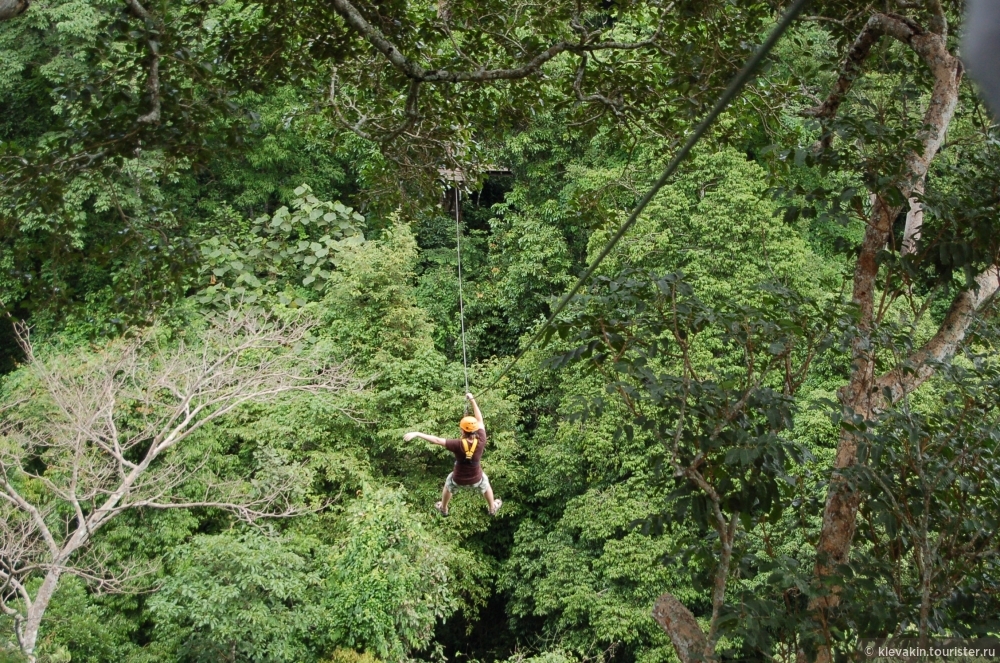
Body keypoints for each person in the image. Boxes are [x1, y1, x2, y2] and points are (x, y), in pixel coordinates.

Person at [403, 392, 502, 516]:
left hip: (458, 479)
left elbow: (437, 440)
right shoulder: (481, 440)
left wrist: (417, 433)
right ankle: (492, 507)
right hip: (476, 478)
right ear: (475, 430)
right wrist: (472, 400)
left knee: (448, 483)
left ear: (462, 430)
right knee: (485, 482)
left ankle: (444, 508)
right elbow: (480, 420)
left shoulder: (457, 444)